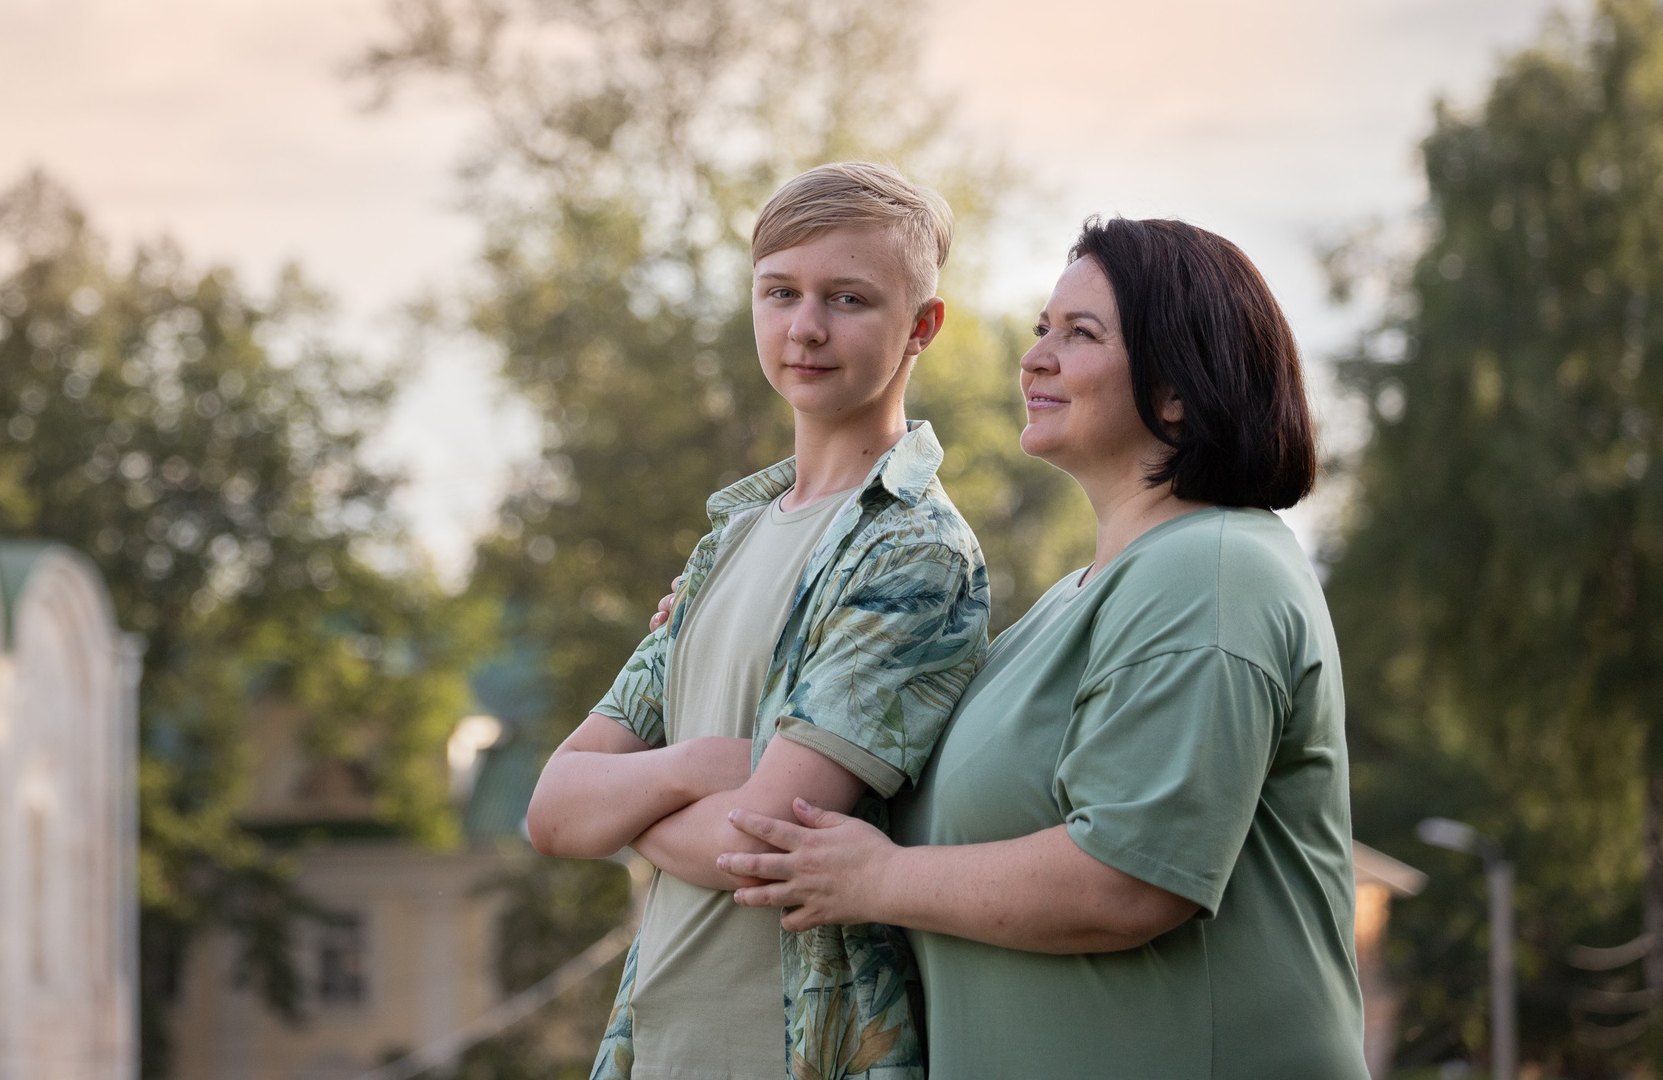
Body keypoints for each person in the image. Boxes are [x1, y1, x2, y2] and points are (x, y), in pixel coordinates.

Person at [714, 218, 1364, 1080]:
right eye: (1041, 331)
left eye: (1080, 334)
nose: (1035, 359)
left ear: (1176, 390)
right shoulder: (1074, 600)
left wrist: (874, 881)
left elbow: (1128, 880)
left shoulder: (1213, 571)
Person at [523, 162, 992, 1080]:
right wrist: (701, 766)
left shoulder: (911, 553)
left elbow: (758, 840)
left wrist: (632, 806)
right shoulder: (726, 544)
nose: (805, 327)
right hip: (653, 1050)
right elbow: (551, 809)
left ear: (921, 326)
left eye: (848, 298)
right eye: (781, 291)